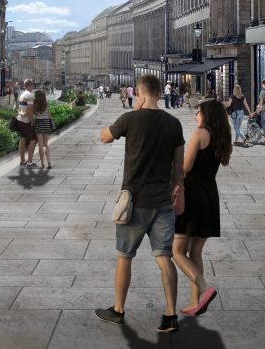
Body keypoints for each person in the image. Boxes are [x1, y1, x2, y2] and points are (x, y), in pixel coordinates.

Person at [96, 74, 185, 334]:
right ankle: (170, 315)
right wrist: (174, 187)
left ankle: (118, 310)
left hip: (133, 202)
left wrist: (130, 117)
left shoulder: (130, 119)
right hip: (163, 202)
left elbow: (104, 137)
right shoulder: (174, 123)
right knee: (164, 257)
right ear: (159, 93)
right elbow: (178, 167)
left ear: (140, 93)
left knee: (125, 257)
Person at [173, 99, 232, 316]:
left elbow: (186, 167)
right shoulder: (221, 137)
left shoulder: (199, 134)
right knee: (195, 252)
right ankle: (194, 302)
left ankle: (206, 289)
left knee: (176, 251)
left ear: (207, 115)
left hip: (193, 195)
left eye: (198, 112)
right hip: (209, 195)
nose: (196, 115)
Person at [17, 79, 37, 167]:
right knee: (33, 140)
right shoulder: (30, 96)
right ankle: (29, 162)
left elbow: (21, 109)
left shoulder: (22, 95)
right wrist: (32, 121)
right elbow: (29, 111)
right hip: (26, 121)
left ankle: (22, 160)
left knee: (22, 139)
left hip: (20, 119)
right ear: (31, 85)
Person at [32, 89, 54, 169]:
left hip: (38, 123)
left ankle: (42, 163)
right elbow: (49, 114)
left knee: (40, 145)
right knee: (46, 144)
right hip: (46, 123)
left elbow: (33, 113)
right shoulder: (46, 103)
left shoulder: (34, 103)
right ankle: (49, 162)